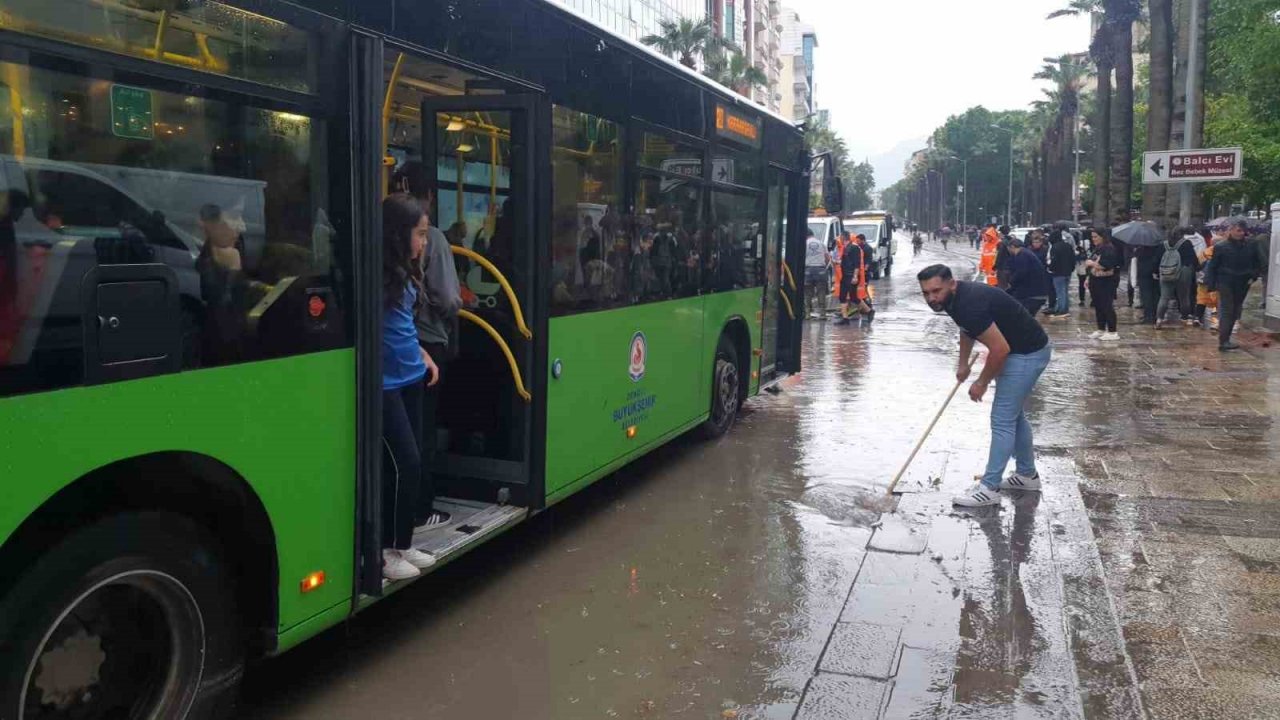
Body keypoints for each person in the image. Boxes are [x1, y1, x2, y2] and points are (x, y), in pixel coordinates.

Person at [917, 264, 1052, 507]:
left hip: (1027, 353)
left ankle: (989, 488)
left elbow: (999, 350)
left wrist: (981, 382)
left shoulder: (970, 304)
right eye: (926, 293)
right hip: (1018, 350)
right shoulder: (953, 301)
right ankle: (1027, 475)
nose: (931, 298)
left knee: (1002, 419)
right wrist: (962, 365)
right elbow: (967, 330)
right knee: (1013, 416)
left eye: (936, 291)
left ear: (952, 284)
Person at [393, 162, 461, 527]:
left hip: (408, 349)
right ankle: (420, 508)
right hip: (427, 342)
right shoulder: (432, 236)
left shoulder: (381, 232)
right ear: (430, 197)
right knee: (421, 432)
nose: (420, 242)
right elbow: (448, 297)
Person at [379, 193, 442, 581]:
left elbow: (402, 325)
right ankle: (388, 550)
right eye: (419, 234)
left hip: (410, 377)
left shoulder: (402, 271)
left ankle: (403, 543)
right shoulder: (374, 276)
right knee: (405, 464)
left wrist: (422, 353)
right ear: (398, 234)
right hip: (385, 384)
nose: (424, 242)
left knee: (412, 463)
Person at [1205, 218, 1263, 351]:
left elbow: (1257, 262)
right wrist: (1211, 284)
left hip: (1243, 281)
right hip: (1226, 281)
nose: (1241, 233)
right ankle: (1224, 340)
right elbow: (1213, 266)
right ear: (1230, 231)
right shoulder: (1221, 246)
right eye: (1238, 230)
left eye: (1243, 231)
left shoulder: (1251, 244)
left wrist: (1253, 276)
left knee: (1236, 310)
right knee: (1227, 310)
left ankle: (1226, 338)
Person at [1154, 227, 1198, 329]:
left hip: (1166, 272)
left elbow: (1157, 260)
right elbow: (1193, 259)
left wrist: (1156, 272)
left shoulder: (1163, 245)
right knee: (1184, 297)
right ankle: (1184, 317)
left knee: (1164, 297)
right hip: (1183, 272)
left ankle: (1159, 319)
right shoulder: (1186, 244)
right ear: (1182, 234)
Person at [1084, 227, 1122, 341]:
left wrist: (1092, 263)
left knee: (1107, 305)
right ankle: (1101, 328)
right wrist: (1088, 278)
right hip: (1095, 279)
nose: (1093, 239)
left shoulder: (1109, 249)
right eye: (1092, 237)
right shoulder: (1098, 248)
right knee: (1098, 305)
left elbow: (1107, 265)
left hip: (1106, 281)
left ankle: (1112, 331)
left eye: (1096, 237)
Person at [1004, 239, 1050, 316]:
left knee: (1024, 316)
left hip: (1032, 294)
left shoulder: (1022, 255)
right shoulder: (1026, 253)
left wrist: (1011, 283)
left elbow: (1021, 273)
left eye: (1008, 249)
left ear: (1012, 247)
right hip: (1035, 291)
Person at [836, 233, 875, 326]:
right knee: (843, 296)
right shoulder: (845, 248)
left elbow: (857, 264)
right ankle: (845, 318)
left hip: (851, 275)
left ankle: (869, 311)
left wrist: (855, 276)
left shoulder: (854, 248)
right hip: (845, 275)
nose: (839, 240)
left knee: (853, 297)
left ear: (843, 238)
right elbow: (846, 261)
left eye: (840, 238)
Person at [1046, 229, 1076, 317]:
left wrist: (1050, 268)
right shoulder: (1068, 246)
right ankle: (1065, 308)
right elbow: (1072, 258)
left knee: (1060, 292)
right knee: (1065, 291)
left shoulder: (1054, 247)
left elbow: (1054, 260)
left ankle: (1061, 310)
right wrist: (1071, 268)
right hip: (1067, 272)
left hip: (1058, 273)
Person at [803, 226, 831, 319]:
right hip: (820, 270)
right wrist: (824, 266)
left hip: (808, 270)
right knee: (821, 292)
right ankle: (822, 314)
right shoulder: (821, 243)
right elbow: (827, 258)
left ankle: (807, 314)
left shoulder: (804, 244)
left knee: (807, 293)